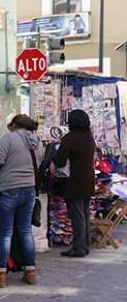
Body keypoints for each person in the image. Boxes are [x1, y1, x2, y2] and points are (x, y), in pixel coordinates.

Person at [0, 114, 41, 288]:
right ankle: (31, 271)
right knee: (26, 231)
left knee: (6, 233)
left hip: (8, 190)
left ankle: (1, 273)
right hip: (29, 190)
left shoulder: (9, 139)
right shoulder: (37, 142)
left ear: (15, 125)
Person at [53, 109, 96, 258]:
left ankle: (78, 248)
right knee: (84, 214)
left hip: (74, 181)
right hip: (88, 180)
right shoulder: (89, 137)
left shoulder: (69, 138)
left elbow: (60, 161)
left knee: (77, 216)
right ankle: (84, 246)